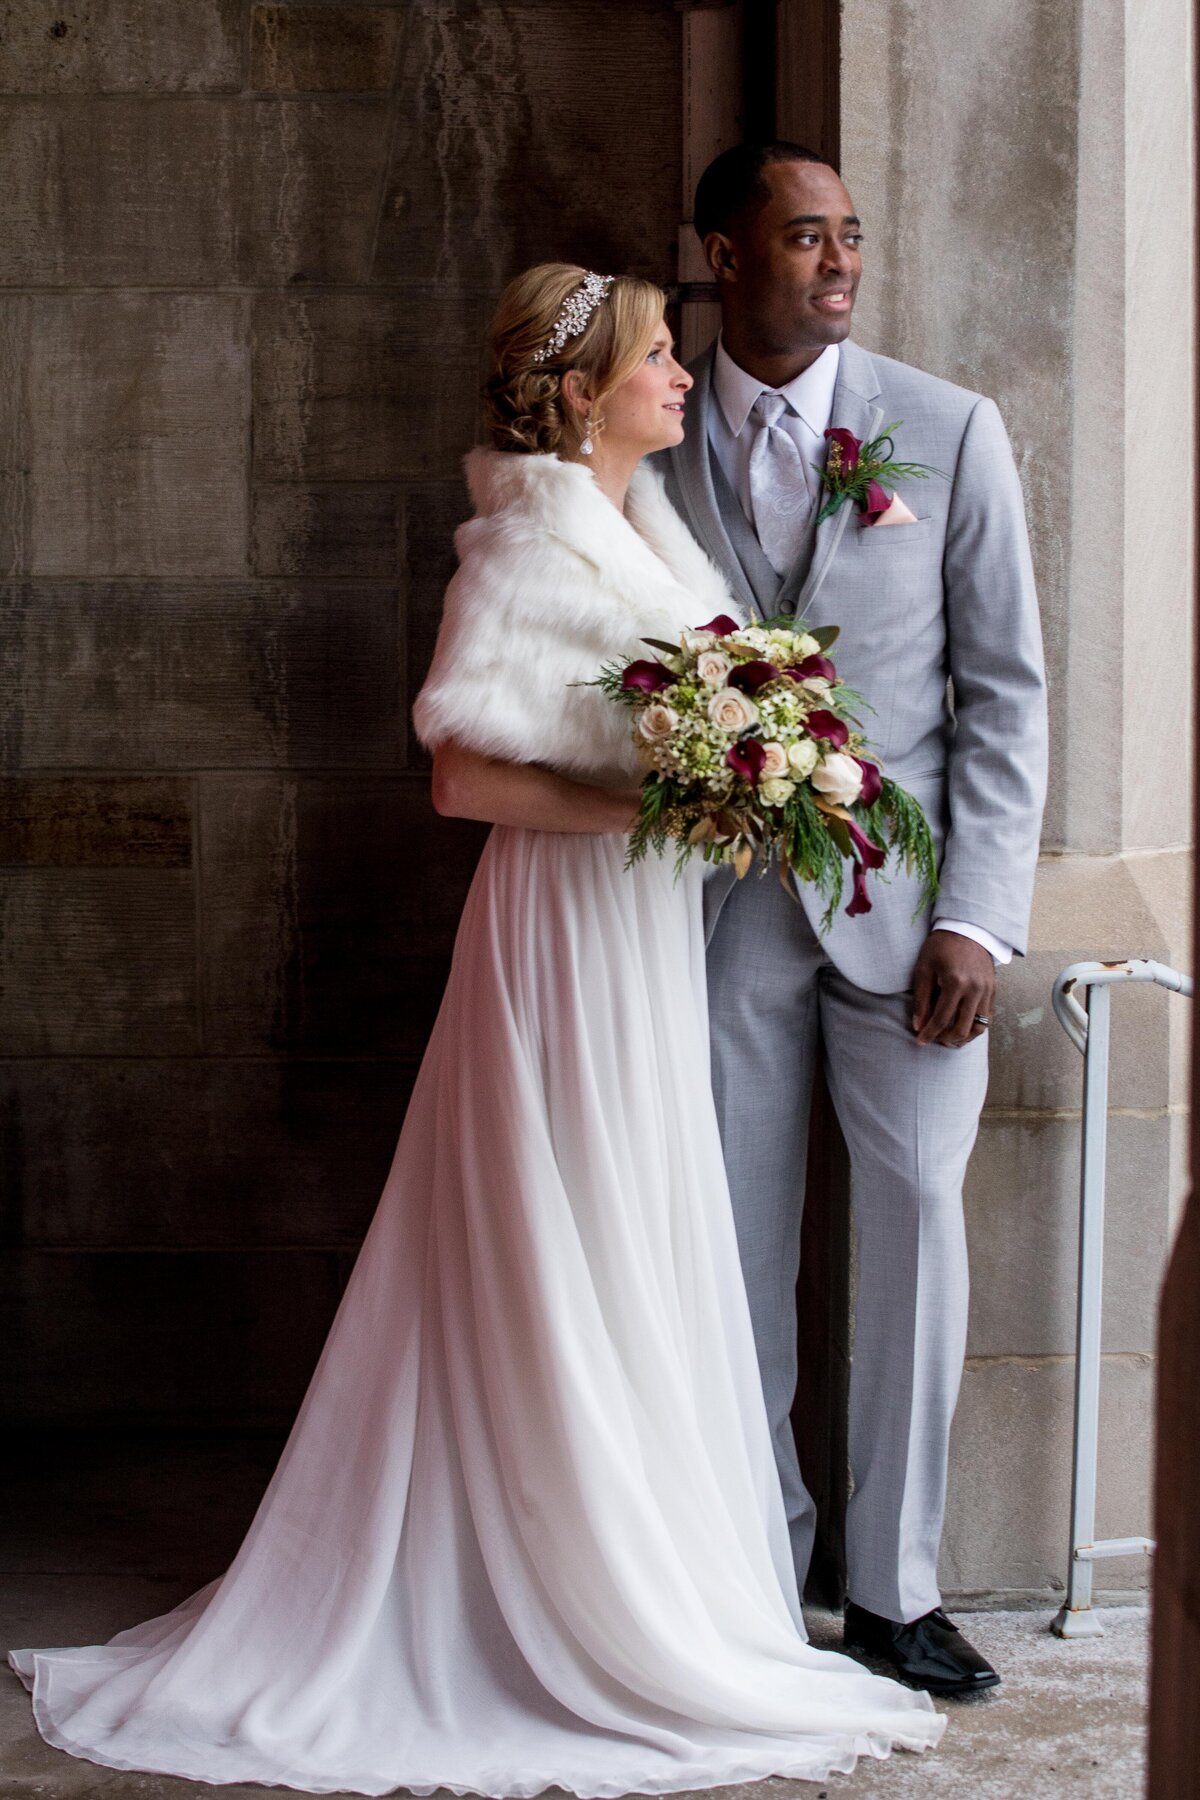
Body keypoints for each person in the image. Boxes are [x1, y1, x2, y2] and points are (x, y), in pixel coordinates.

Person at [8, 264, 945, 1795]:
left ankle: (655, 1573)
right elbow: (461, 777)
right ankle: (554, 1596)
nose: (683, 378)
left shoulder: (648, 534)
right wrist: (666, 798)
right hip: (560, 940)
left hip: (636, 935)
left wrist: (740, 782)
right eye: (656, 356)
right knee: (548, 1233)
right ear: (578, 394)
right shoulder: (525, 544)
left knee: (633, 1229)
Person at [659, 143, 1049, 1696]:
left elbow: (1005, 693)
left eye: (852, 238)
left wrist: (985, 918)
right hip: (724, 915)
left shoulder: (947, 430)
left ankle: (894, 1590)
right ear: (722, 253)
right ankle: (760, 1569)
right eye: (805, 237)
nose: (839, 264)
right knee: (734, 1252)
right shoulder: (655, 429)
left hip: (915, 929)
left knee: (914, 1232)